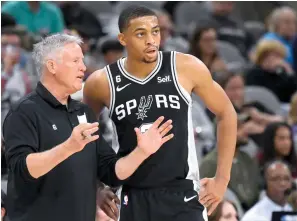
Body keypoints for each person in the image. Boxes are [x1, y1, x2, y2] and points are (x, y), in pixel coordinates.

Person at [84, 6, 237, 221]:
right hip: (131, 195)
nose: (151, 40)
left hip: (182, 194)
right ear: (122, 38)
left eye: (155, 31)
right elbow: (83, 135)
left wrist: (222, 179)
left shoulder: (186, 67)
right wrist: (97, 187)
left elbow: (226, 113)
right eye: (141, 34)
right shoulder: (101, 83)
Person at [2, 33, 174, 221]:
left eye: (82, 61)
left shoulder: (83, 112)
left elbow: (111, 172)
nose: (83, 68)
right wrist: (68, 147)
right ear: (52, 66)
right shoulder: (24, 112)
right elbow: (22, 170)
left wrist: (142, 151)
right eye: (75, 61)